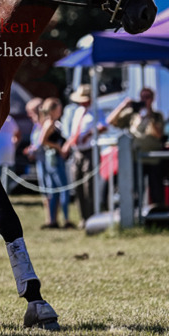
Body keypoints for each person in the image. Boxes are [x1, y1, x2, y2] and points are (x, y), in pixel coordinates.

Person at [108, 87, 166, 206]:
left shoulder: (157, 116)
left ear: (152, 99)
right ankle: (136, 211)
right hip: (136, 158)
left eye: (147, 97)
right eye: (142, 97)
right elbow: (111, 121)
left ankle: (158, 211)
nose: (144, 100)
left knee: (156, 189)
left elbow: (159, 134)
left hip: (153, 159)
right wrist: (123, 106)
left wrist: (149, 116)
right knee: (136, 189)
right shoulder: (132, 115)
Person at [61, 83, 106, 228]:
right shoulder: (78, 111)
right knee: (77, 185)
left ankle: (91, 217)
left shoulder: (97, 111)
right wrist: (68, 144)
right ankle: (83, 217)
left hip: (89, 151)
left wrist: (90, 133)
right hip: (77, 152)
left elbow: (104, 126)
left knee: (89, 186)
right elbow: (74, 132)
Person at [38, 98, 74, 228]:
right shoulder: (50, 123)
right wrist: (58, 147)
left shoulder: (53, 123)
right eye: (58, 109)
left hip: (52, 159)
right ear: (53, 110)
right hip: (54, 159)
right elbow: (42, 141)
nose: (60, 111)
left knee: (54, 190)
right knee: (63, 188)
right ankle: (66, 219)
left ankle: (53, 220)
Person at [23, 97, 53, 227]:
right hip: (40, 161)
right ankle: (48, 219)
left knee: (50, 190)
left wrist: (32, 150)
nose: (28, 115)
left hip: (49, 161)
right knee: (44, 191)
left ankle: (52, 219)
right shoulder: (36, 126)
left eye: (30, 112)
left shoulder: (45, 124)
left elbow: (41, 143)